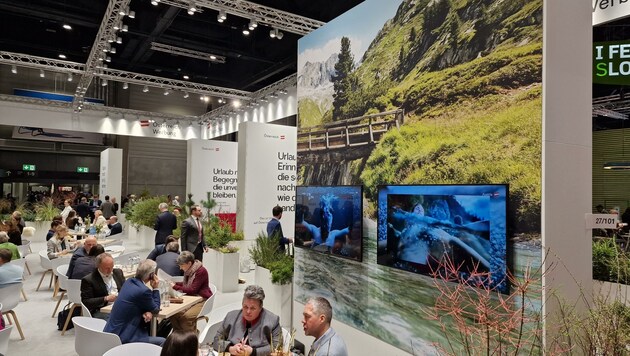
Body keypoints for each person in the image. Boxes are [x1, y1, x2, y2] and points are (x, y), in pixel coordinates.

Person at [104, 259, 164, 346]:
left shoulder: (128, 282)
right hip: (125, 337)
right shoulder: (143, 290)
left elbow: (134, 303)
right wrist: (155, 288)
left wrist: (146, 311)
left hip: (111, 333)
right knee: (163, 342)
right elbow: (156, 309)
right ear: (151, 275)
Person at [213, 285, 281, 355]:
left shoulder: (273, 320)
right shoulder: (231, 316)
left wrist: (253, 352)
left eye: (253, 308)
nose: (248, 311)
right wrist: (230, 348)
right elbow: (216, 340)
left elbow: (278, 347)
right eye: (245, 307)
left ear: (260, 308)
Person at [170, 251, 213, 332]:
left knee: (186, 318)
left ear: (189, 263)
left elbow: (192, 290)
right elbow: (189, 284)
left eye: (182, 265)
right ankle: (180, 338)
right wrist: (176, 283)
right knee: (174, 315)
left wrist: (175, 286)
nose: (180, 268)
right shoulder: (189, 271)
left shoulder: (201, 271)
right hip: (193, 298)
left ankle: (190, 340)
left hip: (202, 299)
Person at [81, 252, 125, 319]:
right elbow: (86, 302)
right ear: (98, 266)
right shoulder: (88, 280)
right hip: (101, 309)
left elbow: (125, 289)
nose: (110, 270)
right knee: (116, 320)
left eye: (112, 267)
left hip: (120, 305)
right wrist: (105, 298)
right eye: (107, 268)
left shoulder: (118, 272)